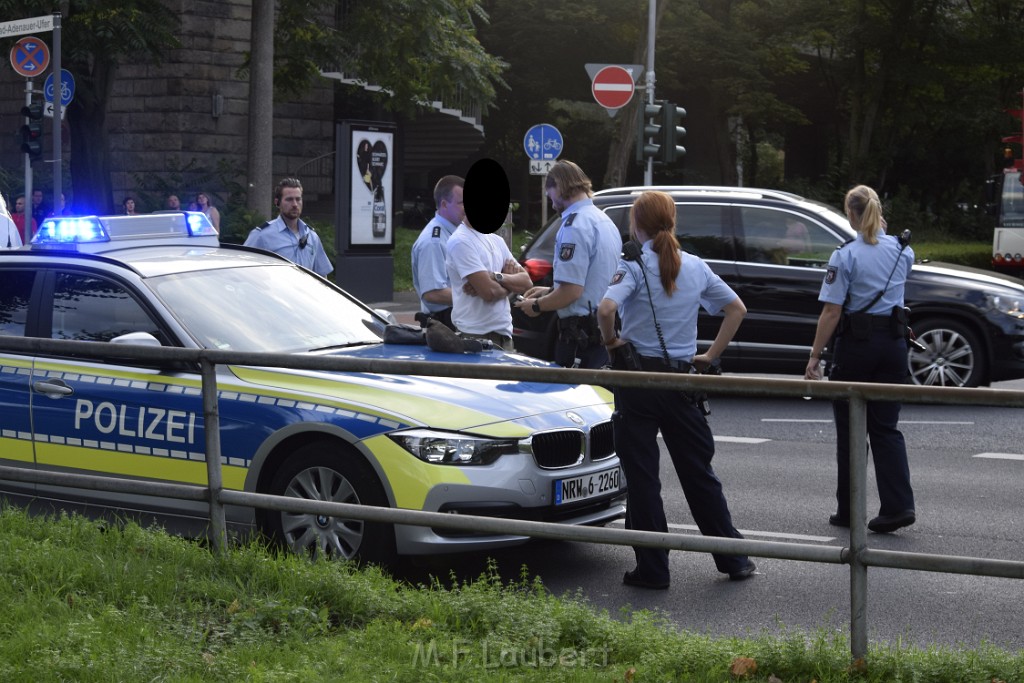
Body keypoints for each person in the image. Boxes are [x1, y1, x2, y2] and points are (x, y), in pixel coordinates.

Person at [597, 190, 756, 589]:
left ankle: (653, 569)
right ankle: (734, 559)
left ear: (637, 224)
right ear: (673, 222)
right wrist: (709, 356)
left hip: (638, 384)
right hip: (683, 382)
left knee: (644, 478)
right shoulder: (696, 266)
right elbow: (737, 309)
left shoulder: (632, 265)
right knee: (698, 474)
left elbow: (605, 309)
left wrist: (611, 343)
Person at [805, 184, 916, 534]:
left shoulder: (845, 255)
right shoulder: (902, 250)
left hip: (857, 347)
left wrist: (814, 356)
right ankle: (898, 507)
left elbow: (832, 312)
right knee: (886, 429)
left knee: (852, 431)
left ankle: (849, 509)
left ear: (851, 214)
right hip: (894, 346)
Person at [515, 159, 621, 368]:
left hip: (579, 340)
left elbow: (572, 292)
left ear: (561, 187)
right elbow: (592, 282)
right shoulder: (605, 221)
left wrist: (537, 305)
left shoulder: (574, 226)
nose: (550, 200)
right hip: (601, 334)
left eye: (550, 193)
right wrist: (549, 291)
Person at [445, 213, 531, 351]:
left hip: (505, 336)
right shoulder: (460, 241)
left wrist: (495, 277)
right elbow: (489, 292)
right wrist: (509, 284)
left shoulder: (497, 241)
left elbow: (526, 282)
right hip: (475, 337)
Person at [244, 178, 333, 277]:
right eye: (289, 199)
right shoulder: (262, 235)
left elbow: (322, 277)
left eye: (298, 199)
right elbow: (243, 271)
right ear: (277, 202)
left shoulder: (312, 237)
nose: (295, 204)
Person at [411, 176, 465, 330]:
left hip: (457, 318)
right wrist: (476, 297)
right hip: (445, 324)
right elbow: (432, 293)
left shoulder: (456, 234)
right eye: (461, 203)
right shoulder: (433, 241)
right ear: (444, 205)